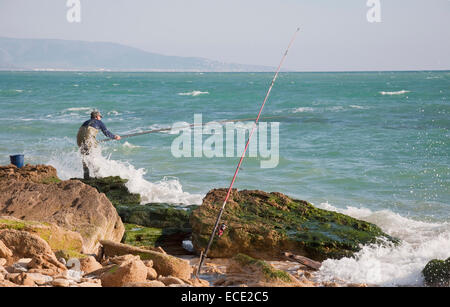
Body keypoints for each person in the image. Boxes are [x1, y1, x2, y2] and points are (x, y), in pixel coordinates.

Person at [77, 110, 121, 179]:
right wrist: (115, 136)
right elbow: (106, 133)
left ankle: (86, 176)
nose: (100, 118)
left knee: (84, 156)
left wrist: (93, 141)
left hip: (79, 139)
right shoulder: (99, 122)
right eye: (100, 117)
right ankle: (97, 175)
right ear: (97, 117)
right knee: (93, 155)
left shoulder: (85, 122)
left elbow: (85, 134)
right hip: (88, 138)